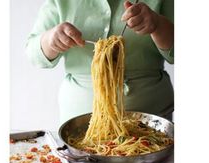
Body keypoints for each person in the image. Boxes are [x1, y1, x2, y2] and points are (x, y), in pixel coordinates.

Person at [26, 0, 174, 124]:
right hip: (79, 123)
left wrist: (158, 25)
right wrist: (50, 39)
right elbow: (33, 53)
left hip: (151, 118)